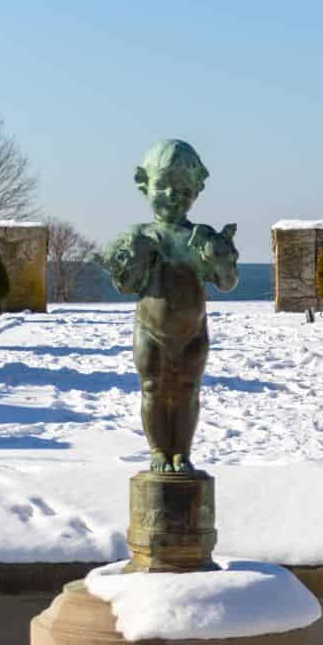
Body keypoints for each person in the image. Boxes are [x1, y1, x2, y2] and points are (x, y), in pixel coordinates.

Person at [102, 139, 238, 473]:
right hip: (150, 330)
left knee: (188, 391)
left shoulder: (202, 237)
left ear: (197, 190)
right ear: (144, 184)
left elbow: (226, 282)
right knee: (153, 389)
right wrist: (129, 259)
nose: (172, 195)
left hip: (193, 332)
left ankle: (182, 453)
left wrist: (220, 259)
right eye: (163, 186)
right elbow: (125, 285)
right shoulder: (141, 235)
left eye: (183, 188)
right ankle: (158, 450)